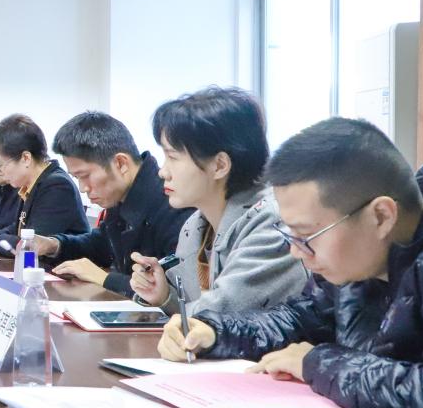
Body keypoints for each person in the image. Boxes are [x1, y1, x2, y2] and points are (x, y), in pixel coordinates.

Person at [159, 118, 423, 408]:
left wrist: (319, 363)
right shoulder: (357, 259)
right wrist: (215, 332)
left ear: (381, 217)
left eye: (306, 234)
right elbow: (302, 318)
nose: (296, 250)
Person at [130, 87, 307, 316]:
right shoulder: (196, 225)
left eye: (173, 157)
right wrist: (163, 295)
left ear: (220, 165)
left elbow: (219, 317)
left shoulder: (273, 224)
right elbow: (197, 314)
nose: (163, 172)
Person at [31, 111, 191, 296]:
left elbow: (176, 291)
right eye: (76, 178)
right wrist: (55, 245)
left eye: (85, 176)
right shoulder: (121, 195)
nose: (83, 188)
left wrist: (104, 278)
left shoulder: (174, 204)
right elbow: (102, 245)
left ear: (121, 163)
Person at [0, 114, 87, 257]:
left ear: (26, 158)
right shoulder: (30, 185)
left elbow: (33, 244)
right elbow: (17, 230)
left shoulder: (56, 186)